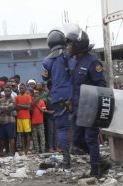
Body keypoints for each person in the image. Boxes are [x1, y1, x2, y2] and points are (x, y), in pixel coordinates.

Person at [66, 26, 111, 177]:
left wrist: (97, 107)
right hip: (77, 108)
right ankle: (101, 162)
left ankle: (95, 171)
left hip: (91, 107)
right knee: (77, 141)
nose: (67, 46)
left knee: (91, 139)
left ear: (78, 45)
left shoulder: (92, 62)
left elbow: (101, 85)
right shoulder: (73, 62)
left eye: (70, 43)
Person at [42, 29, 75, 169]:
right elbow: (74, 71)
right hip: (71, 95)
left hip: (56, 97)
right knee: (78, 125)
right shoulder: (68, 56)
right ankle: (86, 152)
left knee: (61, 129)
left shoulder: (46, 60)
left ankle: (66, 161)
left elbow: (44, 77)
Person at [0, 86, 16, 156]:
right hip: (2, 121)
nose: (7, 92)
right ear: (4, 92)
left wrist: (3, 108)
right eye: (5, 91)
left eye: (8, 91)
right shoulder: (1, 99)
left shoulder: (13, 99)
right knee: (1, 138)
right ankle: (2, 152)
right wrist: (6, 109)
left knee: (11, 138)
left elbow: (10, 107)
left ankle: (11, 152)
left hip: (10, 121)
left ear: (11, 92)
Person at [15, 83, 32, 155]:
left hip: (26, 117)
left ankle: (27, 149)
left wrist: (19, 105)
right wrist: (23, 106)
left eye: (22, 88)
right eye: (20, 88)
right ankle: (23, 149)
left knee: (27, 134)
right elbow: (15, 107)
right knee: (21, 134)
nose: (21, 89)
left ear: (25, 88)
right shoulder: (16, 97)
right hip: (19, 118)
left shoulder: (28, 96)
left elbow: (28, 106)